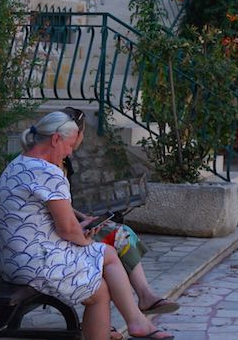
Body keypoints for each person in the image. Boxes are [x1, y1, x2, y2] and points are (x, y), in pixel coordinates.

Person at [0, 111, 174, 340]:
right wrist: (85, 238)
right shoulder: (48, 172)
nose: (70, 152)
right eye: (70, 146)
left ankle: (136, 320)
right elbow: (67, 230)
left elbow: (50, 223)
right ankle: (137, 321)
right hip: (35, 263)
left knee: (100, 287)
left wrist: (81, 233)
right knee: (107, 253)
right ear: (56, 139)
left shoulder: (19, 163)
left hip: (14, 260)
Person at [59, 108, 179, 327]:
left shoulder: (62, 160)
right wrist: (80, 222)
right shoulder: (55, 161)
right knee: (117, 238)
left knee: (120, 233)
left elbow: (61, 203)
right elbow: (57, 209)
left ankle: (143, 296)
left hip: (66, 224)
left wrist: (80, 215)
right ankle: (142, 298)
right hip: (59, 235)